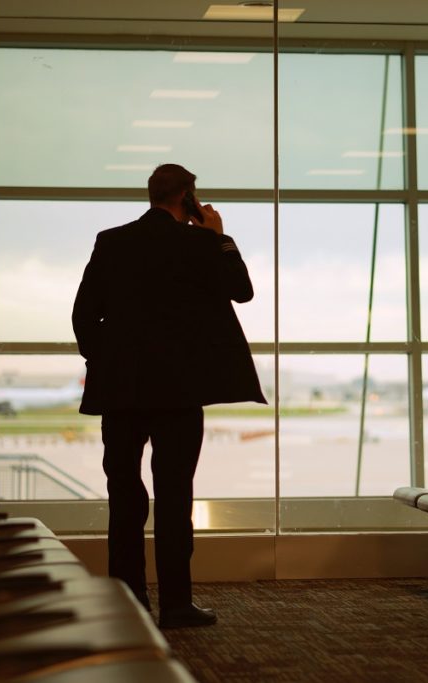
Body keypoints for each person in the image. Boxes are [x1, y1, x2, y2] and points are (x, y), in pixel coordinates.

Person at [72, 163, 266, 629]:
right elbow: (243, 292)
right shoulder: (201, 244)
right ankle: (176, 605)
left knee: (124, 496)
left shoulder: (111, 241)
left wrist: (106, 363)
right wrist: (221, 235)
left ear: (153, 195)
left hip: (122, 394)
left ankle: (129, 603)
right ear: (188, 198)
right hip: (180, 395)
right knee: (175, 496)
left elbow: (83, 314)